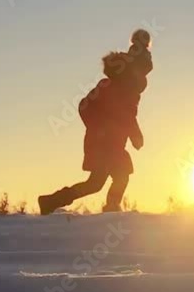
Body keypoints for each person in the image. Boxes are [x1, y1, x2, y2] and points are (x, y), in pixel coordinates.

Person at [38, 32, 152, 215]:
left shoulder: (129, 92)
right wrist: (100, 129)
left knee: (99, 182)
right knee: (112, 178)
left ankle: (51, 201)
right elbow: (85, 106)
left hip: (115, 143)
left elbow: (128, 117)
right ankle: (111, 210)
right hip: (102, 143)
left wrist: (134, 135)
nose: (143, 78)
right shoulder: (109, 86)